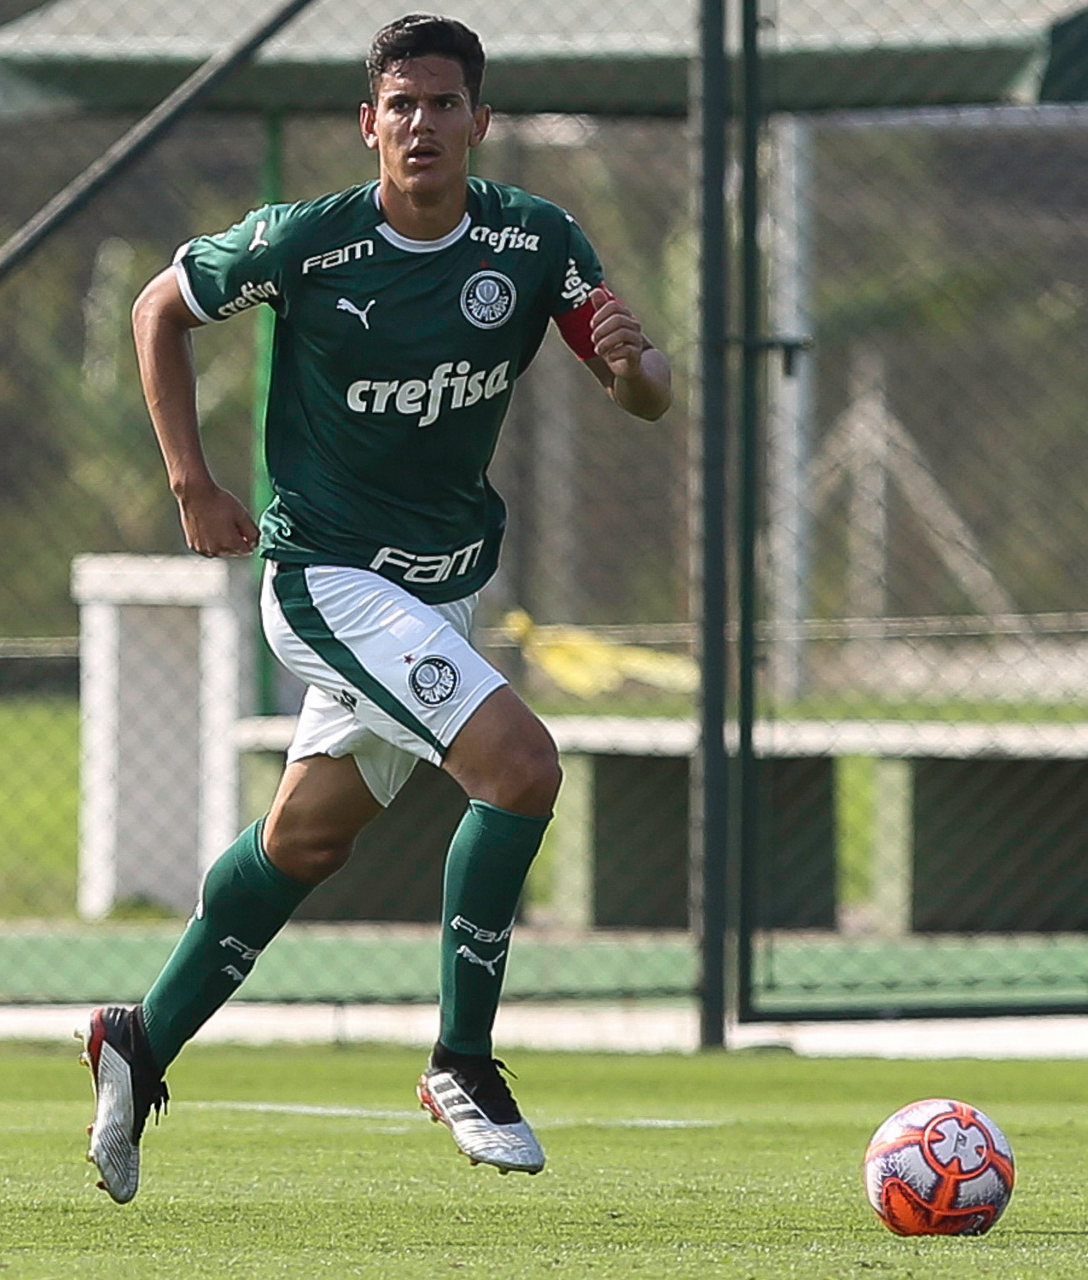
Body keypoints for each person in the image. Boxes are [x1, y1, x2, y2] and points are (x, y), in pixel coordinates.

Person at [78, 12, 671, 1204]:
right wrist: (192, 484)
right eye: (400, 104)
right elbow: (157, 309)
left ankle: (137, 1038)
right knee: (521, 767)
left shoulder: (531, 239)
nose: (421, 123)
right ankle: (461, 1059)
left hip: (441, 594)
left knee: (305, 841)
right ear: (368, 124)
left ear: (478, 122)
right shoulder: (308, 242)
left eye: (443, 103)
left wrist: (628, 361)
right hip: (328, 578)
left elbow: (645, 393)